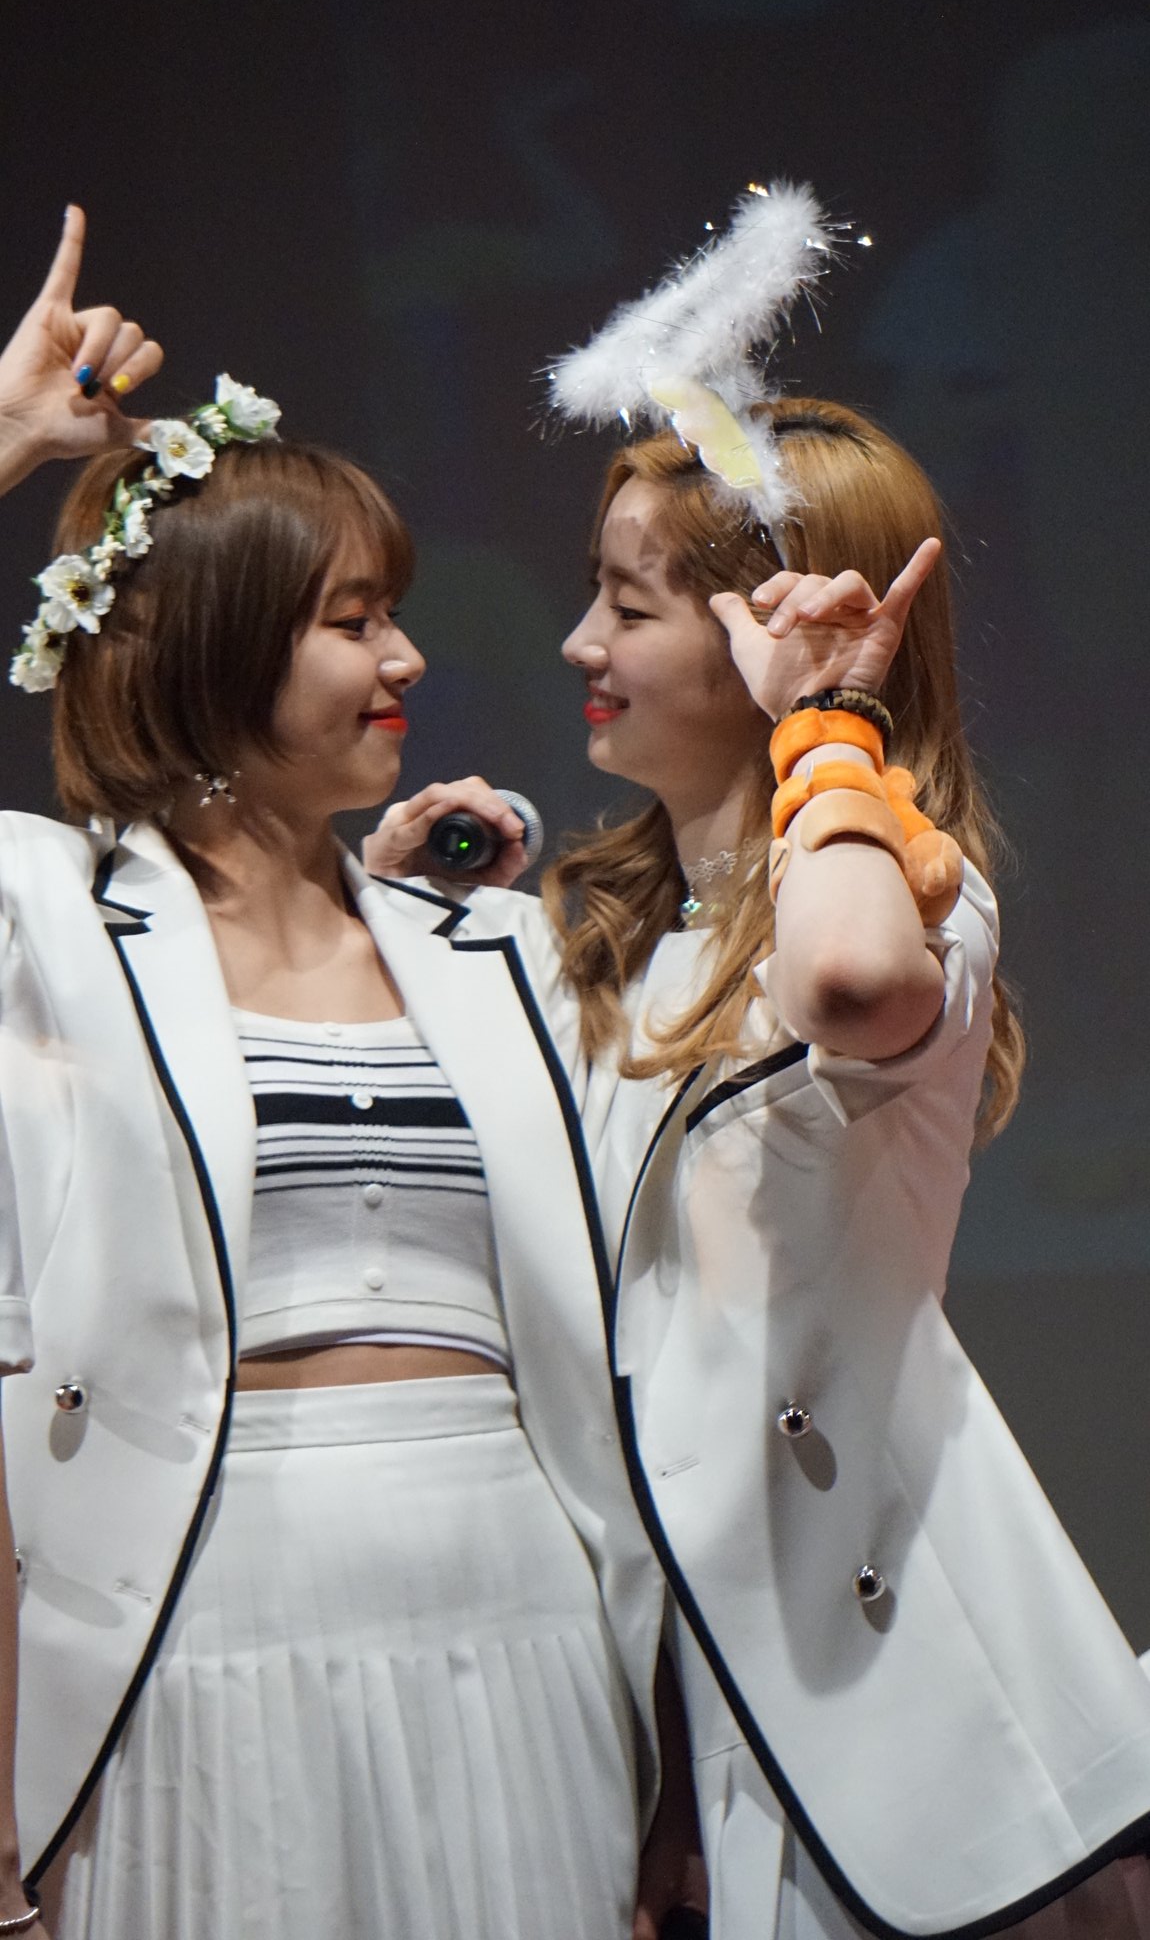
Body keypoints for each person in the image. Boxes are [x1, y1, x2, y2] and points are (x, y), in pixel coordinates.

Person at [369, 392, 1150, 1935]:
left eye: (629, 604)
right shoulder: (588, 960)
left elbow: (843, 982)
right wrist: (377, 912)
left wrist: (827, 721)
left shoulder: (913, 896)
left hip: (902, 1719)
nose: (579, 642)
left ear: (762, 636)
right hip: (678, 1711)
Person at [0, 209, 691, 1940]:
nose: (406, 662)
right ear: (213, 643)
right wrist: (4, 443)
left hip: (524, 1623)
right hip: (189, 1631)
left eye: (394, 617)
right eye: (351, 620)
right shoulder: (48, 925)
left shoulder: (496, 952)